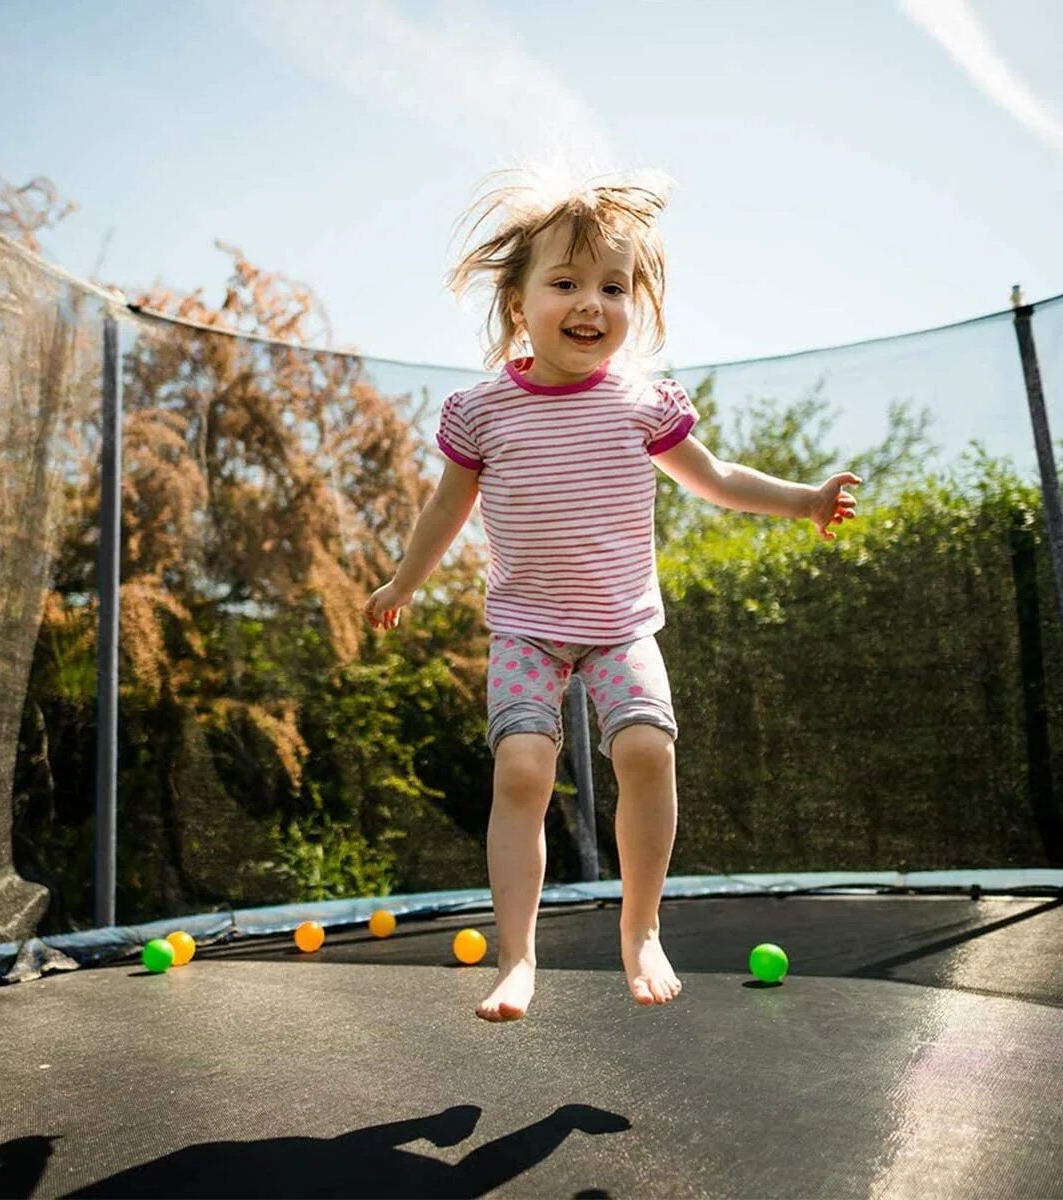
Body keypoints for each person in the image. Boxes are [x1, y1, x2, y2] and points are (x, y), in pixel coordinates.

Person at [363, 168, 860, 1022]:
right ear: (518, 303)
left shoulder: (640, 403)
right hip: (525, 629)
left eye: (612, 286)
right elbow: (449, 506)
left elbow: (718, 479)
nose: (590, 302)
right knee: (522, 767)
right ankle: (517, 957)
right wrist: (404, 579)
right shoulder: (483, 413)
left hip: (620, 629)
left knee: (646, 754)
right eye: (564, 283)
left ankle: (641, 928)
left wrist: (805, 498)